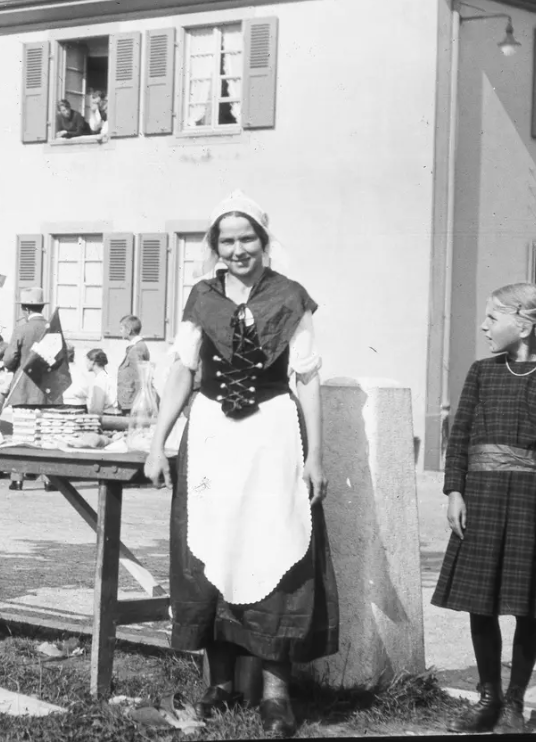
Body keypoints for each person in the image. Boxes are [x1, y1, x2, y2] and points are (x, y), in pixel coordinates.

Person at [143, 192, 335, 738]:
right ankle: (219, 684)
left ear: (263, 241)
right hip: (210, 437)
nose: (237, 249)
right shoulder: (202, 298)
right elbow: (182, 370)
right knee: (214, 551)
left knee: (271, 547)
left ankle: (276, 695)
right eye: (226, 240)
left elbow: (306, 378)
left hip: (271, 436)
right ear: (214, 246)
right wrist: (159, 443)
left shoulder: (290, 298)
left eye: (246, 238)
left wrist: (315, 455)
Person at [431, 283, 536, 735]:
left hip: (535, 504)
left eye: (491, 318)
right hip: (482, 497)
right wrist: (455, 491)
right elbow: (459, 437)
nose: (483, 326)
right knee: (483, 602)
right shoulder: (481, 372)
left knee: (527, 606)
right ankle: (488, 698)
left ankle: (515, 702)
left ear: (523, 321)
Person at [4, 287, 57, 407]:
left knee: (22, 423)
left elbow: (8, 360)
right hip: (47, 390)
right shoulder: (53, 329)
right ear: (42, 307)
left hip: (23, 388)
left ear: (26, 309)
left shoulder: (21, 330)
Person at [67, 348, 115, 416]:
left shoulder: (100, 379)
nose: (85, 364)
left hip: (107, 416)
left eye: (87, 361)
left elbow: (97, 408)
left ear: (92, 362)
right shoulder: (107, 376)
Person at [116, 315, 148, 414]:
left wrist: (140, 402)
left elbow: (140, 378)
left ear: (129, 330)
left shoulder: (136, 349)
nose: (120, 331)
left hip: (132, 402)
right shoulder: (136, 347)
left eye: (121, 328)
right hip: (130, 401)